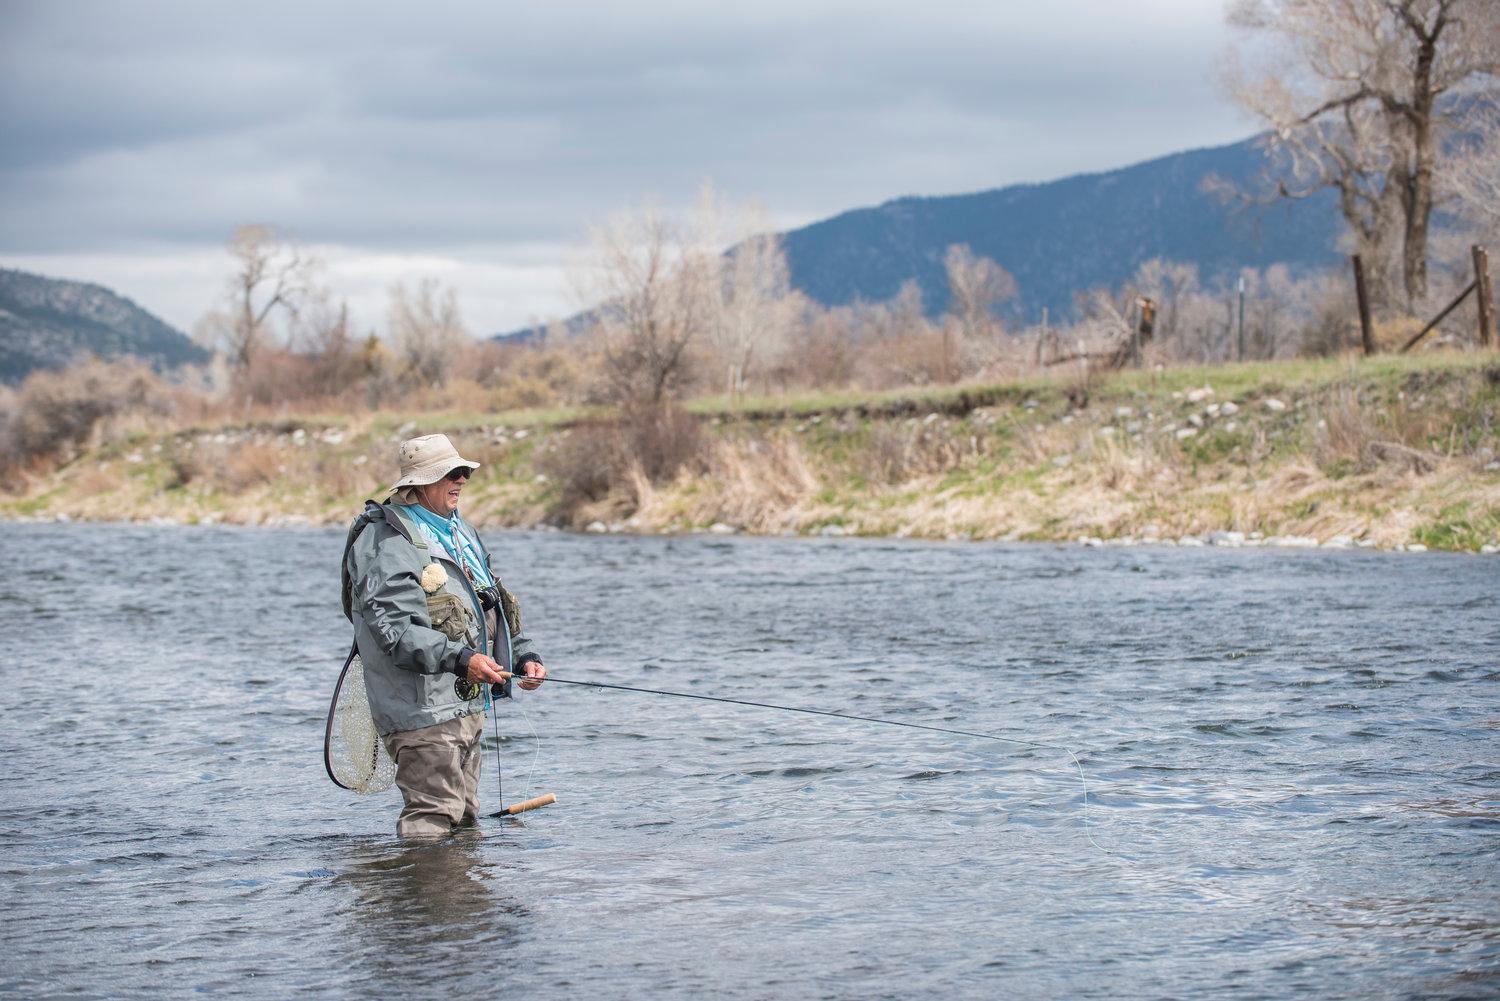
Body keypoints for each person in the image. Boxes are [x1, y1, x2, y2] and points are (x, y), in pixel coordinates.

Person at [341, 433, 546, 837]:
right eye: (451, 473)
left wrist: (523, 655)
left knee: (466, 822)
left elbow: (491, 605)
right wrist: (462, 660)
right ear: (417, 484)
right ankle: (421, 899)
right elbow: (397, 633)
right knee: (432, 821)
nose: (462, 479)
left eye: (464, 471)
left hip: (466, 707)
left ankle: (456, 900)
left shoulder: (459, 532)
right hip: (421, 713)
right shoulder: (384, 541)